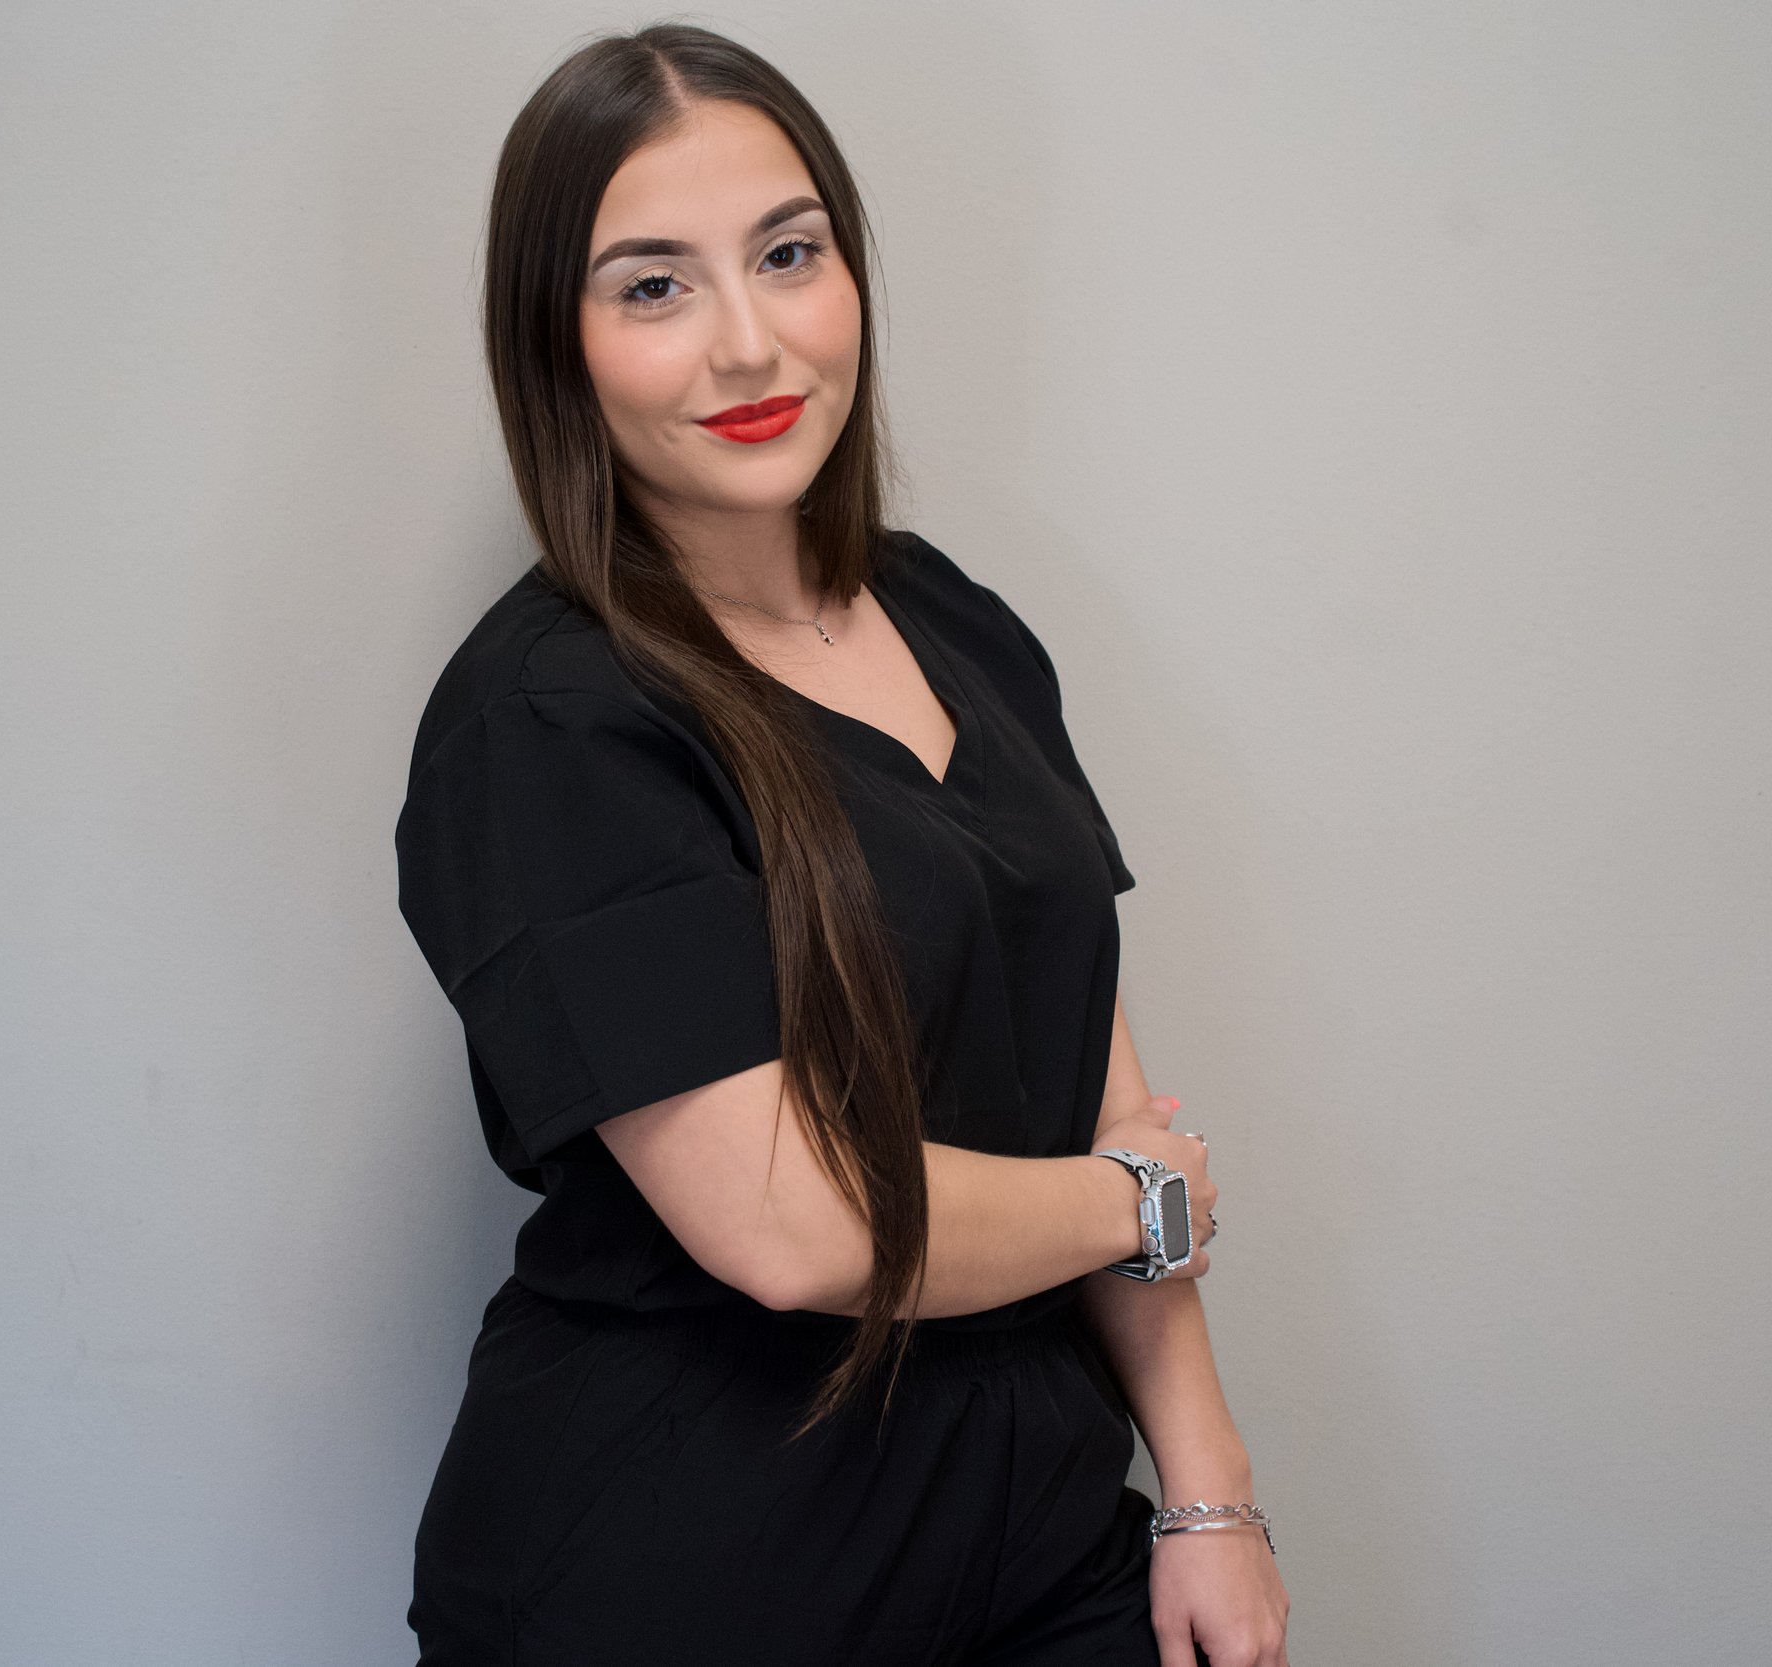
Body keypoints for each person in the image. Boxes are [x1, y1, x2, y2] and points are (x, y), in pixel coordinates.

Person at [394, 23, 1290, 1667]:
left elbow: (1098, 1079)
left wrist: (1207, 1490)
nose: (749, 343)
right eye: (652, 286)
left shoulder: (957, 622)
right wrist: (1130, 1206)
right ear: (559, 347)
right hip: (691, 1572)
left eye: (788, 255)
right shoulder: (547, 724)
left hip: (1036, 1538)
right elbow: (796, 1231)